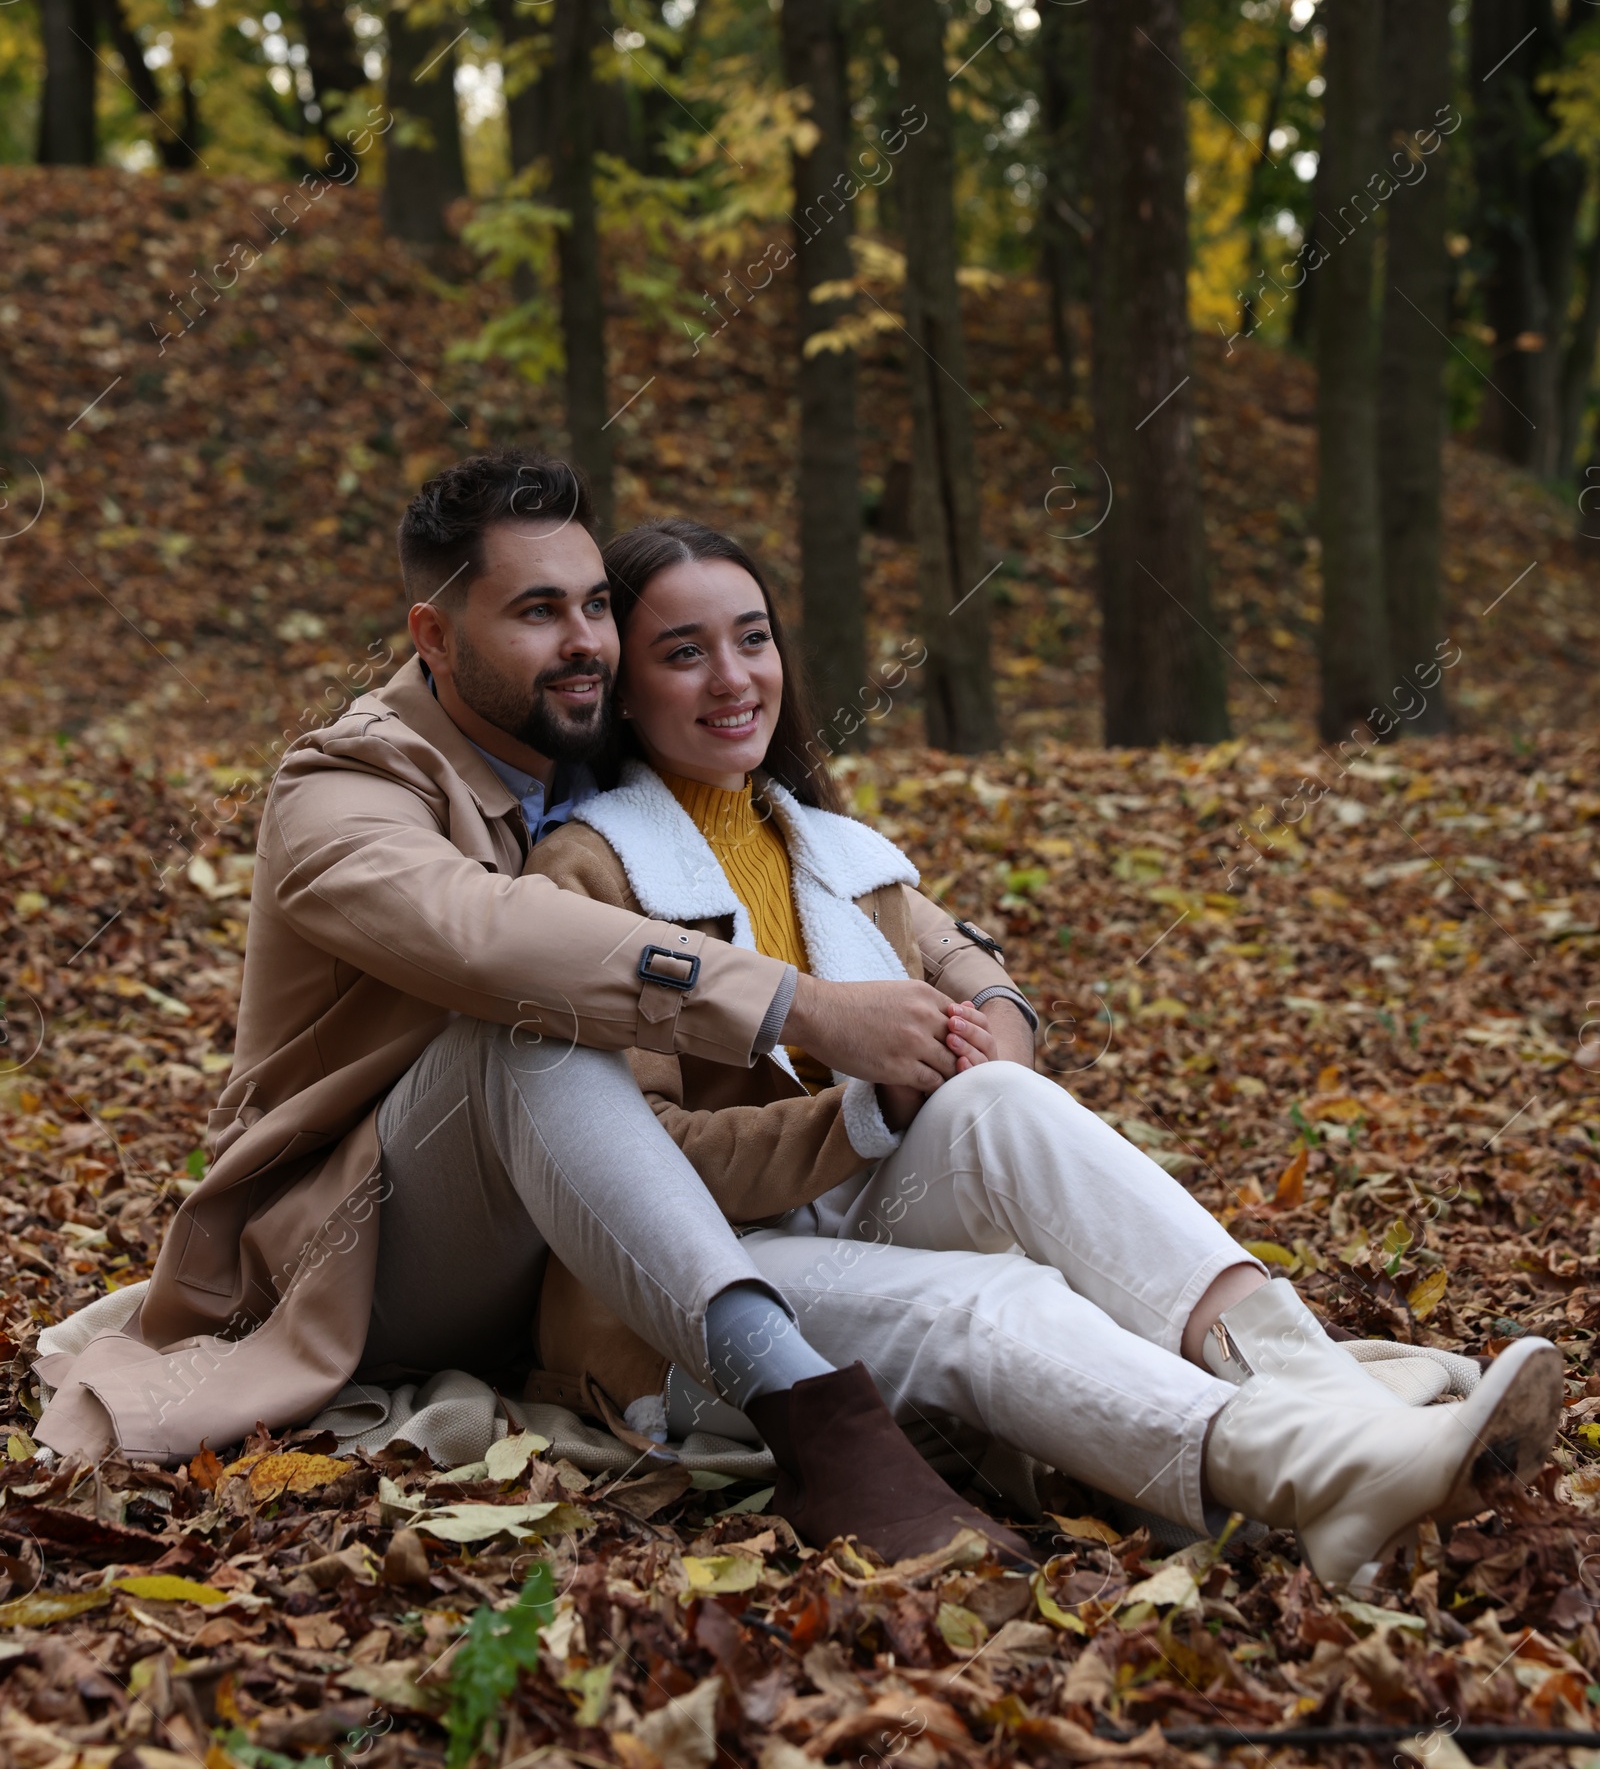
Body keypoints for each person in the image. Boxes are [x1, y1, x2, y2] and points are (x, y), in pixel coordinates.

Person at [523, 517, 1563, 1589]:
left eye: (753, 637)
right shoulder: (589, 870)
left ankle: (1339, 1416)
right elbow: (636, 1168)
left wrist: (991, 1039)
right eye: (684, 651)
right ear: (624, 689)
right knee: (998, 1298)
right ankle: (1318, 1470)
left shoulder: (814, 840)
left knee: (999, 1108)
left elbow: (966, 959)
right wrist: (861, 1109)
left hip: (845, 1208)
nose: (733, 676)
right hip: (698, 1293)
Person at [35, 454, 1033, 1561]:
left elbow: (850, 877)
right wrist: (801, 1008)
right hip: (358, 1254)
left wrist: (985, 999)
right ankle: (803, 1404)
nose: (586, 642)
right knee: (523, 1027)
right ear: (433, 632)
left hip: (570, 1256)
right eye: (538, 611)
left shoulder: (591, 763)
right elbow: (487, 933)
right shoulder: (337, 795)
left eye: (598, 605)